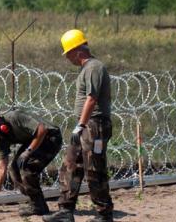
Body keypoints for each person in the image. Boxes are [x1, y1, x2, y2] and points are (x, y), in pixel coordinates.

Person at [45, 29, 114, 222]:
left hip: (95, 126)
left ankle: (104, 213)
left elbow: (91, 99)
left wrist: (81, 124)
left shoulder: (94, 68)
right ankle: (65, 210)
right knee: (71, 165)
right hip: (86, 126)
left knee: (94, 169)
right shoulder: (86, 69)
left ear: (77, 50)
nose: (67, 58)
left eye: (68, 54)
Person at [0, 99, 62, 216]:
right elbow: (2, 167)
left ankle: (39, 206)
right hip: (35, 141)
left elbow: (42, 129)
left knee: (27, 168)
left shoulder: (15, 117)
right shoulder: (2, 137)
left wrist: (28, 151)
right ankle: (34, 199)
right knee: (13, 168)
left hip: (51, 137)